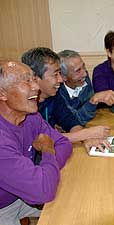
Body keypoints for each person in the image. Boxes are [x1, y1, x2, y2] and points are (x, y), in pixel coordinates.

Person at [0, 61, 72, 225]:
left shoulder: (30, 116)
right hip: (2, 207)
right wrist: (48, 151)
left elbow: (63, 143)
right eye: (26, 81)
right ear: (2, 94)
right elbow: (43, 191)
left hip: (23, 194)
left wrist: (43, 174)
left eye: (34, 79)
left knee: (77, 201)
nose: (36, 87)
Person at [21, 47, 110, 151]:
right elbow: (40, 140)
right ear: (35, 79)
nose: (60, 79)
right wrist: (85, 134)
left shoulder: (53, 96)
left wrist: (86, 139)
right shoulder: (24, 106)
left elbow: (70, 121)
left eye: (60, 73)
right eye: (55, 75)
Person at [58, 50, 111, 126]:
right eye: (78, 71)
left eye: (84, 66)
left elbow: (90, 112)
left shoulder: (83, 79)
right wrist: (93, 100)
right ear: (63, 76)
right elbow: (73, 121)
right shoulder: (58, 93)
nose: (85, 74)